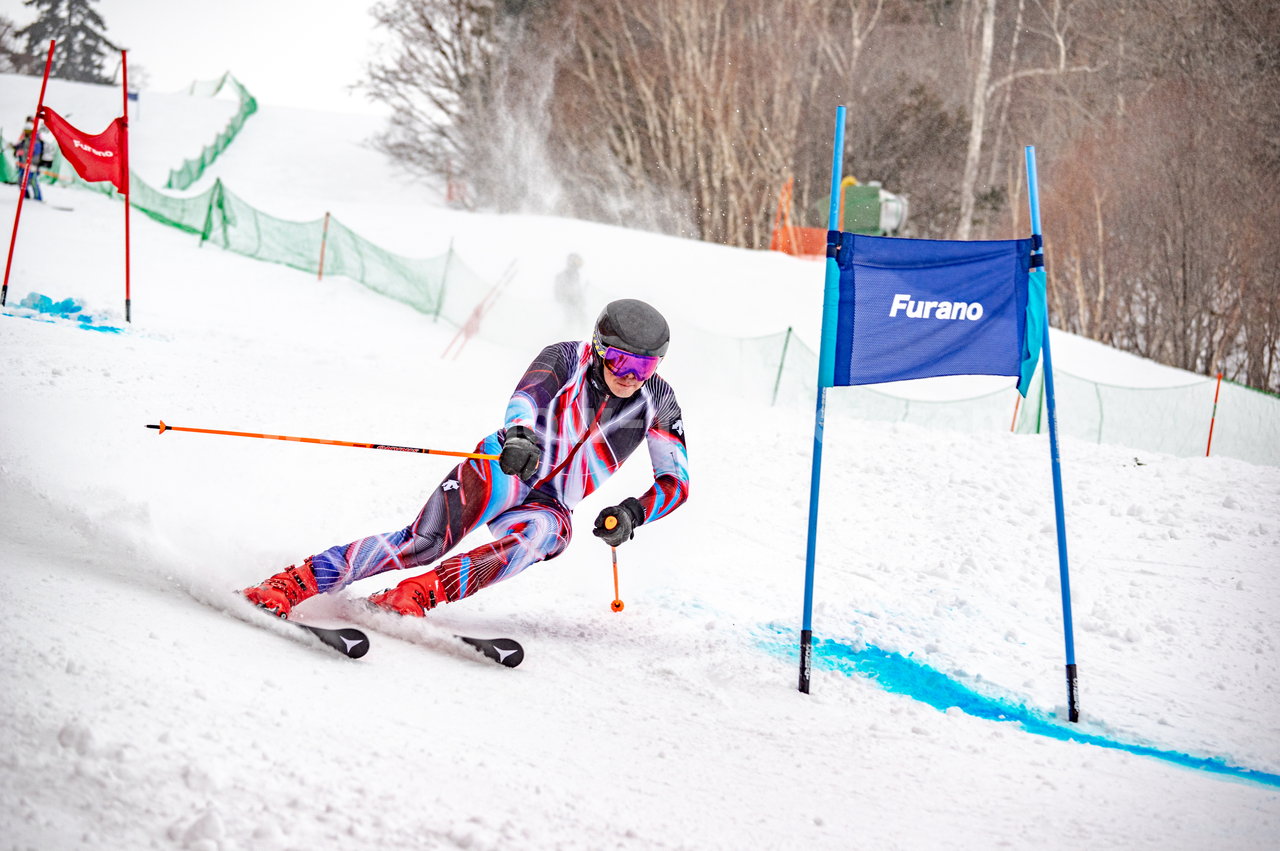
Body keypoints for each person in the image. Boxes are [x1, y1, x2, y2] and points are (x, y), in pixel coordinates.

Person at [243, 298, 690, 618]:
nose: (631, 377)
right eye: (620, 362)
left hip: (550, 499)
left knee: (547, 534)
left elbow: (677, 482)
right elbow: (526, 397)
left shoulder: (659, 402)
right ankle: (295, 582)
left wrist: (634, 512)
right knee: (424, 543)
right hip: (510, 464)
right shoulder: (567, 357)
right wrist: (519, 436)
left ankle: (417, 595)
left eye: (645, 368)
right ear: (597, 348)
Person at [12, 122, 44, 202]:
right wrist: (14, 147)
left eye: (27, 131)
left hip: (32, 165)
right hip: (24, 165)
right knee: (20, 181)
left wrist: (34, 164)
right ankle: (26, 197)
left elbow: (37, 154)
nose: (25, 133)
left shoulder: (36, 141)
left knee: (33, 181)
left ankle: (38, 199)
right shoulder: (26, 139)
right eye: (25, 131)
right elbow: (21, 146)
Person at [553, 253, 586, 325]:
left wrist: (580, 298)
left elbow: (577, 288)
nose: (579, 263)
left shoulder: (575, 273)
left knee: (580, 319)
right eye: (577, 261)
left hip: (574, 301)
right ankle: (570, 333)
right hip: (570, 302)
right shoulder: (567, 274)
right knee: (572, 320)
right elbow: (568, 289)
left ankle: (579, 331)